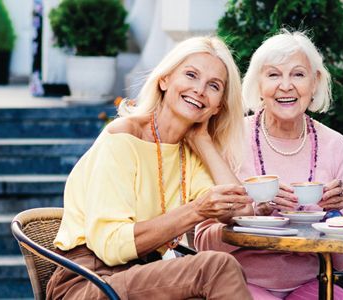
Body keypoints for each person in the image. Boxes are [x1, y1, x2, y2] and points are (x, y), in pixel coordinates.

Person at [46, 36, 254, 300]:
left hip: (146, 275)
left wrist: (203, 142)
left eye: (213, 86)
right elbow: (111, 246)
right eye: (191, 75)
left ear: (218, 107)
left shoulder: (190, 152)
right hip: (89, 281)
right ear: (164, 80)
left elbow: (242, 211)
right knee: (216, 268)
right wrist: (196, 210)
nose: (200, 90)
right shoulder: (123, 138)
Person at [195, 31, 343, 300]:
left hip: (310, 285)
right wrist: (253, 213)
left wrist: (335, 215)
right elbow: (202, 243)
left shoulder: (335, 146)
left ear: (314, 83)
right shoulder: (228, 139)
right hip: (238, 283)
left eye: (298, 74)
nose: (286, 86)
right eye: (273, 75)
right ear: (258, 84)